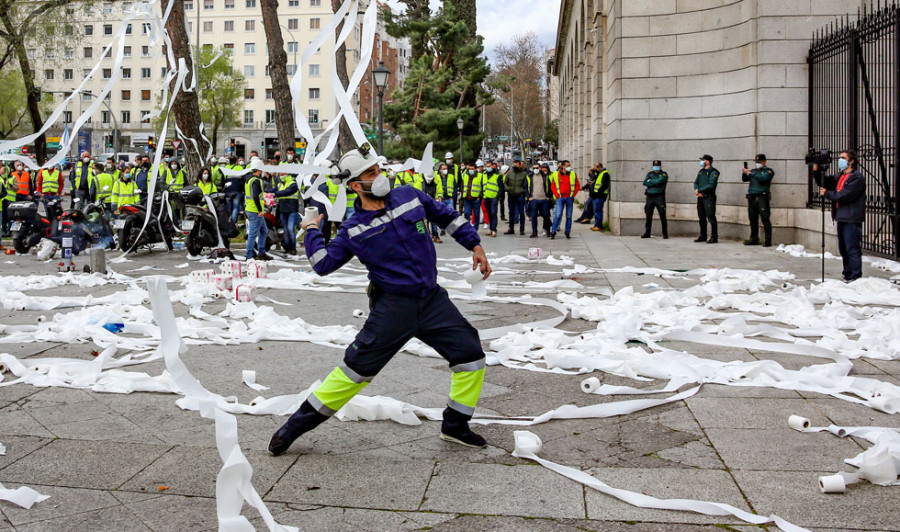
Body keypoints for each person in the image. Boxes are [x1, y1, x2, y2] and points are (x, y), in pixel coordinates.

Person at [268, 145, 492, 456]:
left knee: (471, 356)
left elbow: (447, 216)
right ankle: (292, 429)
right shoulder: (352, 229)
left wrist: (475, 245)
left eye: (379, 170)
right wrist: (311, 230)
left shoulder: (410, 195)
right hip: (393, 309)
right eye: (371, 173)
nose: (380, 176)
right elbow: (322, 264)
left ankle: (455, 426)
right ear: (356, 186)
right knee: (355, 372)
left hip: (432, 301)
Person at [819, 150, 865, 282]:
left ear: (851, 161)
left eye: (843, 158)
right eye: (839, 158)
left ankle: (855, 275)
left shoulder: (856, 177)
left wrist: (827, 194)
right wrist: (817, 169)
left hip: (851, 217)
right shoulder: (839, 176)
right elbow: (823, 182)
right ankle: (847, 272)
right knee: (843, 248)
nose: (841, 160)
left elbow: (845, 195)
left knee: (852, 247)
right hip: (841, 216)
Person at [742, 154, 775, 247]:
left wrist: (751, 173)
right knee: (752, 219)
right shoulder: (753, 171)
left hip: (762, 197)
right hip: (751, 197)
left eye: (759, 162)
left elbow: (763, 178)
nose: (758, 164)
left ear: (764, 162)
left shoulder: (768, 171)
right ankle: (754, 238)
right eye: (756, 162)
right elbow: (745, 179)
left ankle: (768, 240)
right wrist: (745, 172)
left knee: (765, 218)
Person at [244, 160, 273, 261]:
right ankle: (249, 254)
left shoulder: (249, 179)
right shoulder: (256, 180)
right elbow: (255, 196)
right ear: (259, 169)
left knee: (263, 231)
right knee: (253, 233)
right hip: (255, 210)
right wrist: (260, 209)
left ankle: (261, 252)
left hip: (251, 209)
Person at [269, 171, 300, 255]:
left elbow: (287, 191)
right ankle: (287, 248)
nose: (280, 176)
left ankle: (293, 248)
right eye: (280, 174)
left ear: (288, 174)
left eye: (282, 174)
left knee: (290, 229)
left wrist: (274, 194)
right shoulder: (280, 184)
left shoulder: (293, 183)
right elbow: (272, 190)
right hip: (283, 209)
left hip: (292, 210)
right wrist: (264, 192)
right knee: (285, 230)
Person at [550, 161, 580, 239]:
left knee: (569, 216)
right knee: (558, 215)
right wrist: (557, 195)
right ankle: (553, 231)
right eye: (567, 166)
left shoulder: (573, 174)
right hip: (560, 198)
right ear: (562, 166)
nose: (569, 167)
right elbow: (553, 186)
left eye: (569, 165)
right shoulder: (556, 174)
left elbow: (577, 185)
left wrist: (573, 195)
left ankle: (567, 232)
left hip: (569, 197)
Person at [694, 154, 719, 244]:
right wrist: (696, 189)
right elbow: (696, 182)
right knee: (701, 217)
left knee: (711, 217)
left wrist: (700, 190)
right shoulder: (701, 171)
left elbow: (711, 185)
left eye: (703, 160)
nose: (701, 162)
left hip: (708, 197)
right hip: (700, 197)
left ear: (707, 161)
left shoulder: (713, 171)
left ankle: (714, 236)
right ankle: (703, 235)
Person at [642, 160, 668, 239]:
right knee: (648, 215)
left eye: (657, 166)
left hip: (659, 197)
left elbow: (659, 182)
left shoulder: (663, 174)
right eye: (654, 166)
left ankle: (665, 233)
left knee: (662, 215)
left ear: (660, 166)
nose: (656, 167)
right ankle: (647, 232)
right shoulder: (650, 174)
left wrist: (651, 181)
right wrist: (653, 182)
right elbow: (645, 182)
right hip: (650, 197)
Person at [503, 158, 530, 235]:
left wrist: (524, 192)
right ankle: (511, 229)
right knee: (511, 212)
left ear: (519, 165)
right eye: (513, 164)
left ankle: (522, 229)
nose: (514, 165)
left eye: (516, 164)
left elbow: (526, 185)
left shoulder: (524, 174)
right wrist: (508, 189)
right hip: (511, 195)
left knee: (521, 213)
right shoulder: (509, 174)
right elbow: (505, 183)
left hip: (520, 195)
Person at [481, 162, 501, 236]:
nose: (488, 168)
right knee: (488, 213)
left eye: (489, 166)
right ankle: (491, 228)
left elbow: (501, 187)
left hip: (494, 197)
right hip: (486, 197)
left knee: (493, 213)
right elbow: (482, 185)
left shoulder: (497, 175)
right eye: (487, 166)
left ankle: (493, 229)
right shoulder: (484, 175)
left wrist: (498, 196)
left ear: (493, 166)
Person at [589, 163, 610, 232]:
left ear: (599, 167)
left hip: (600, 195)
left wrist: (597, 192)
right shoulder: (599, 173)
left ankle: (598, 225)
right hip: (596, 195)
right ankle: (596, 224)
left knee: (598, 210)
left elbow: (604, 185)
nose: (594, 169)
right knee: (596, 210)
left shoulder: (605, 173)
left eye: (595, 168)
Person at [461, 163, 483, 230]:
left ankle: (475, 228)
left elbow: (483, 186)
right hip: (467, 198)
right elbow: (462, 185)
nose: (470, 170)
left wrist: (480, 196)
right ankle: (468, 227)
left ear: (475, 169)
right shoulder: (465, 175)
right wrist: (462, 194)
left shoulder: (480, 176)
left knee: (476, 214)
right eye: (469, 169)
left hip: (476, 198)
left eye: (472, 169)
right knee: (466, 213)